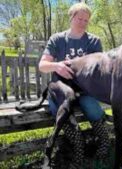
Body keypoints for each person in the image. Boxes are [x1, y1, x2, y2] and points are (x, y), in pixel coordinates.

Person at [39, 2, 109, 168]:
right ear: (71, 18)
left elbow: (100, 69)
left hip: (84, 90)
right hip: (61, 91)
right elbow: (42, 65)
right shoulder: (57, 39)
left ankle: (104, 144)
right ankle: (79, 149)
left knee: (92, 108)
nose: (83, 23)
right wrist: (57, 66)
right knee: (64, 116)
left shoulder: (93, 41)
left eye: (86, 20)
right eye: (79, 19)